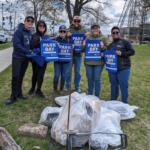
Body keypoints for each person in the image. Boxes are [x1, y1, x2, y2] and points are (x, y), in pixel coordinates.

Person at [5, 16, 34, 105]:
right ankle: (13, 97)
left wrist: (32, 51)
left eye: (31, 21)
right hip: (17, 58)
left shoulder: (29, 33)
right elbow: (16, 45)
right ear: (24, 21)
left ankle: (19, 94)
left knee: (21, 77)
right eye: (28, 21)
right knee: (15, 77)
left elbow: (29, 45)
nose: (30, 22)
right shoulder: (18, 31)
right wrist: (27, 51)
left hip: (25, 59)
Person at [108, 26, 135, 103]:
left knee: (123, 86)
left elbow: (132, 52)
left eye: (117, 32)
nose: (115, 34)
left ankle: (124, 103)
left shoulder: (125, 42)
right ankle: (113, 101)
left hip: (124, 68)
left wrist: (122, 53)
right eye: (113, 32)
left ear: (119, 33)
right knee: (113, 86)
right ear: (111, 34)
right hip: (112, 69)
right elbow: (107, 55)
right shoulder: (110, 45)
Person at [84, 24, 108, 97]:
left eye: (96, 28)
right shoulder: (87, 37)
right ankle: (90, 95)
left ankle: (97, 96)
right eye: (93, 28)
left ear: (99, 29)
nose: (95, 30)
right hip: (88, 62)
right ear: (91, 30)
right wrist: (83, 44)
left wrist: (103, 47)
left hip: (99, 62)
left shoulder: (103, 38)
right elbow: (83, 49)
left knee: (97, 79)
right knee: (90, 78)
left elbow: (107, 48)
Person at [28, 20, 47, 98]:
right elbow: (31, 46)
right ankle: (32, 88)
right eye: (40, 26)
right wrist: (39, 44)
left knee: (41, 75)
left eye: (43, 26)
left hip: (44, 59)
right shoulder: (34, 35)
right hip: (36, 59)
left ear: (45, 27)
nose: (42, 27)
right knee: (35, 74)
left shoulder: (46, 36)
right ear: (37, 27)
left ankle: (38, 90)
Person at [69, 16, 86, 92]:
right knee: (68, 71)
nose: (76, 22)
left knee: (77, 72)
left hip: (79, 54)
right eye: (75, 21)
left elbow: (86, 40)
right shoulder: (69, 30)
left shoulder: (83, 30)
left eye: (78, 21)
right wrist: (67, 34)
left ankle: (77, 86)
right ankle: (67, 85)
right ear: (73, 21)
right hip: (70, 54)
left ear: (80, 21)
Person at [53, 25, 72, 94]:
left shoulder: (69, 39)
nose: (62, 32)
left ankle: (61, 89)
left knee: (63, 76)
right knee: (57, 75)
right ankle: (55, 88)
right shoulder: (55, 39)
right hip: (57, 61)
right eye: (61, 31)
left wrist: (72, 46)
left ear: (66, 32)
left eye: (64, 31)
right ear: (59, 31)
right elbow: (49, 44)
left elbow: (73, 46)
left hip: (66, 61)